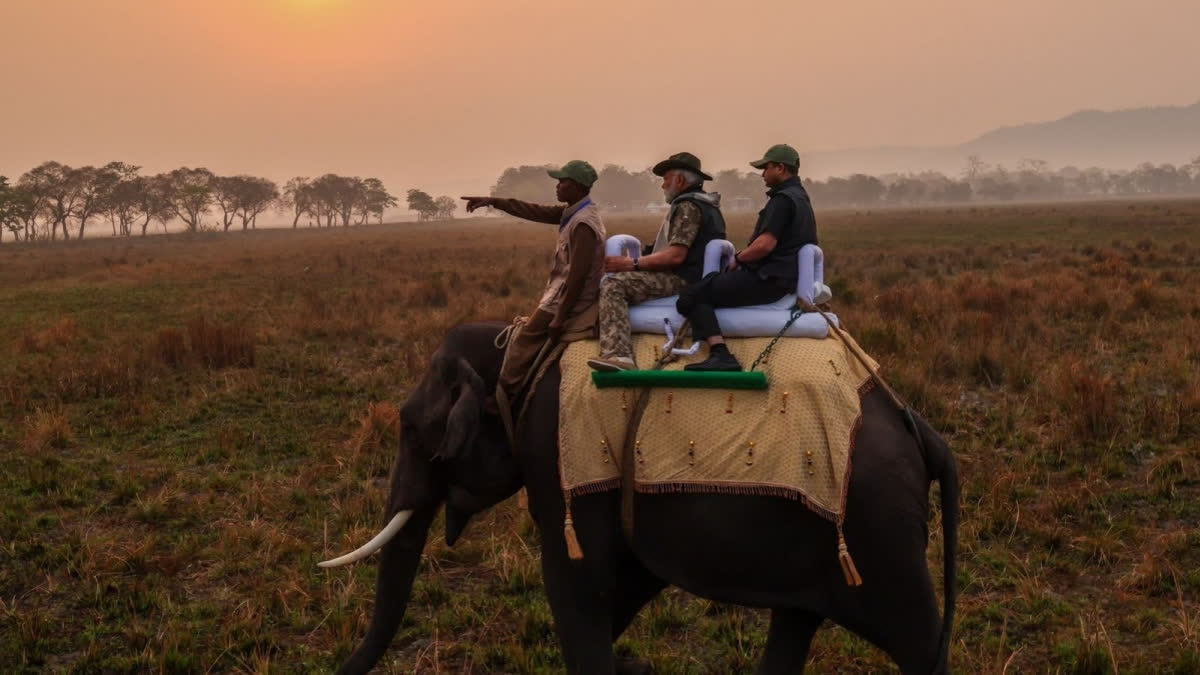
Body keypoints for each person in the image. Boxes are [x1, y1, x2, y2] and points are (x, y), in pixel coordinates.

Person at [461, 160, 606, 415]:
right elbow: (533, 211)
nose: (558, 186)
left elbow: (577, 277)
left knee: (525, 339)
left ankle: (503, 400)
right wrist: (494, 201)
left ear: (578, 187)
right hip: (560, 294)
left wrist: (560, 316)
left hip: (571, 299)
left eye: (563, 182)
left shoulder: (583, 223)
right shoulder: (572, 213)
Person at [676, 143, 818, 371]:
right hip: (782, 279)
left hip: (767, 278)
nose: (763, 174)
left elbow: (765, 245)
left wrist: (739, 259)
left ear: (780, 168)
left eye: (766, 168)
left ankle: (720, 353)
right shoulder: (800, 197)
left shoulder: (782, 200)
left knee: (692, 295)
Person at [587, 152, 726, 372]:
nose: (663, 186)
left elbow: (675, 256)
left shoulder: (688, 206)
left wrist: (630, 264)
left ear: (680, 181)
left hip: (683, 278)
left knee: (613, 285)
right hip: (697, 275)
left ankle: (619, 355)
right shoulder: (708, 205)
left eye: (666, 179)